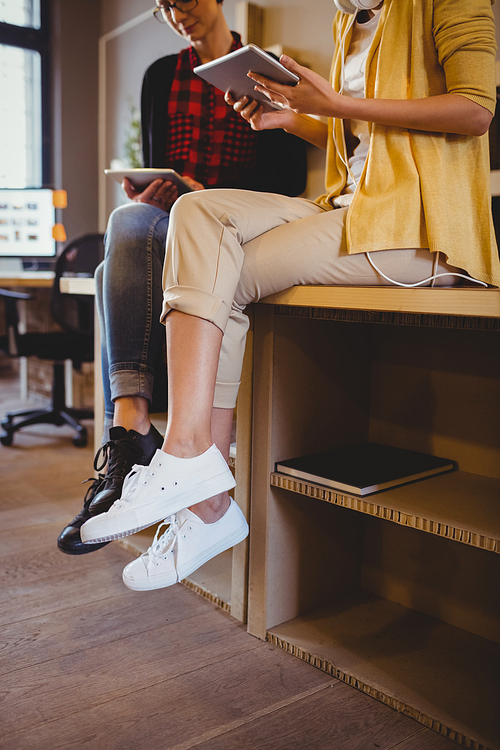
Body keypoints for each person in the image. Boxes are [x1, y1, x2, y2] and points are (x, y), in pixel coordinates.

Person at [80, 0, 500, 590]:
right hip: (349, 209)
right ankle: (192, 466)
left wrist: (336, 104)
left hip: (416, 226)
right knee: (195, 212)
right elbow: (356, 133)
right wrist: (290, 117)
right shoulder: (349, 16)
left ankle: (201, 496)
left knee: (223, 270)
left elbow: (477, 110)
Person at [56, 0, 307, 556]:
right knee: (129, 218)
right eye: (165, 6)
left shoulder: (265, 70)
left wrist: (200, 188)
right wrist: (156, 187)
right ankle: (130, 429)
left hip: (236, 221)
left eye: (186, 0)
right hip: (172, 219)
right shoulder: (159, 78)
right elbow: (155, 159)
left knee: (106, 270)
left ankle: (133, 443)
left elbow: (288, 178)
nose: (178, 14)